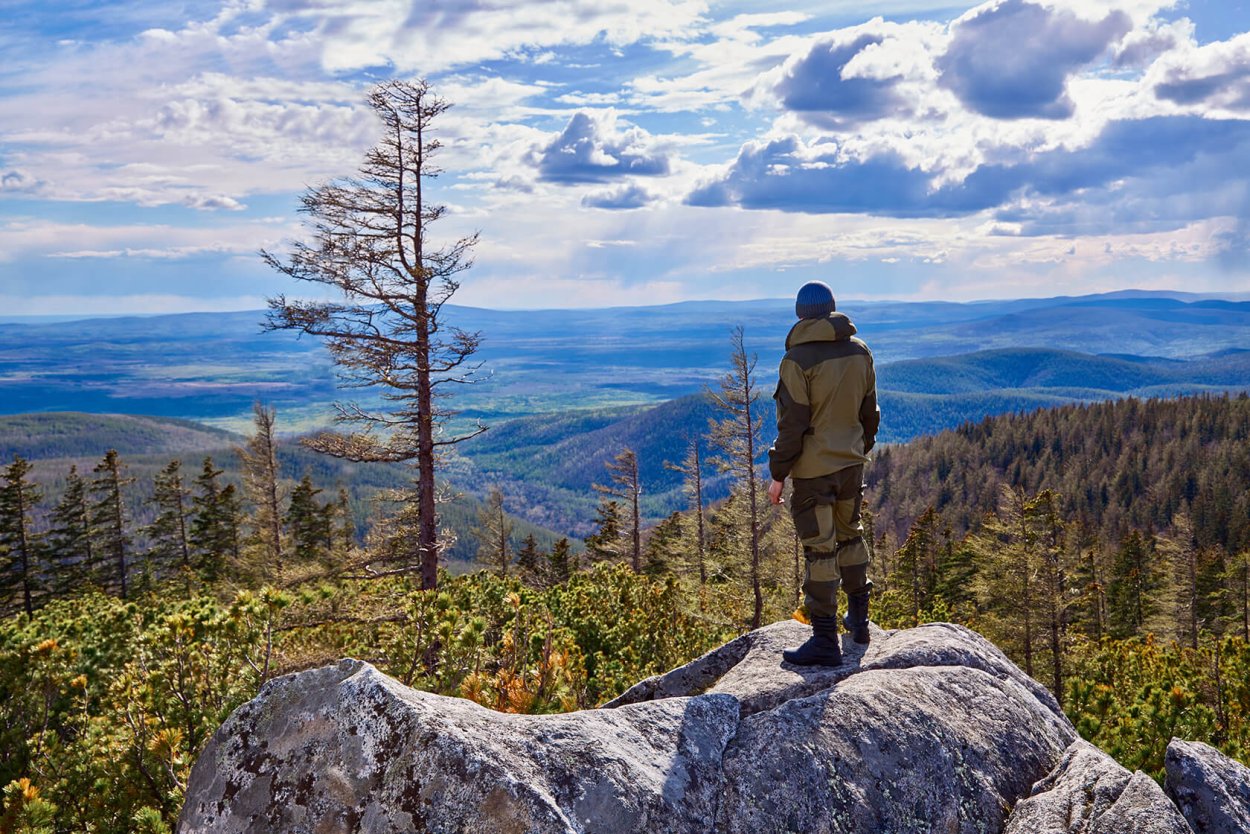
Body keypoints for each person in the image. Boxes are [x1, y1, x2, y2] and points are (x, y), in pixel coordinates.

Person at [768, 281, 879, 666]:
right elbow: (870, 414)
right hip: (850, 463)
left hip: (814, 472)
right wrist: (855, 450)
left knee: (820, 549)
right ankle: (860, 622)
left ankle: (824, 641)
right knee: (851, 537)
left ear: (800, 314)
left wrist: (778, 473)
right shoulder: (860, 351)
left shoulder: (796, 362)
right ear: (832, 308)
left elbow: (792, 425)